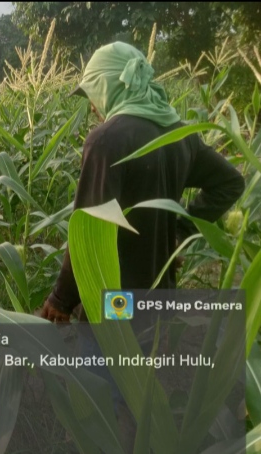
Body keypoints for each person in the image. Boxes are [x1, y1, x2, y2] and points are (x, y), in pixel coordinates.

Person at [40, 41, 245, 324]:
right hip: (161, 296)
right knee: (144, 364)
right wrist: (178, 234)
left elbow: (89, 228)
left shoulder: (106, 140)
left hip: (116, 299)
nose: (92, 105)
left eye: (93, 93)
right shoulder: (180, 134)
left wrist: (61, 299)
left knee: (106, 364)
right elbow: (230, 182)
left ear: (109, 85)